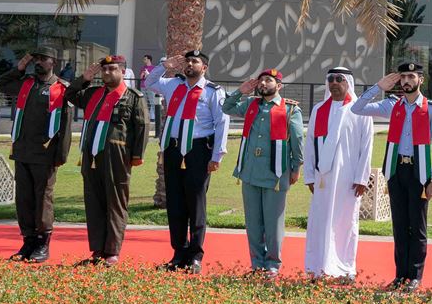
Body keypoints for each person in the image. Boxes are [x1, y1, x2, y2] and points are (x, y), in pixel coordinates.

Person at [354, 62, 432, 289]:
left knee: (418, 226)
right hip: (396, 172)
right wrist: (378, 86)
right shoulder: (391, 105)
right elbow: (357, 108)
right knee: (400, 226)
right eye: (402, 76)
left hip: (420, 172)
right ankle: (400, 276)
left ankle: (415, 276)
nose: (406, 81)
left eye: (411, 76)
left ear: (420, 80)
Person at [143, 50, 229, 274]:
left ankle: (195, 255)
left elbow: (222, 123)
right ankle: (178, 254)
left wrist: (217, 155)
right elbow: (149, 82)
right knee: (176, 202)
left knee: (196, 203)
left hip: (198, 149)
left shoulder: (212, 91)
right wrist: (164, 65)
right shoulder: (173, 84)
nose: (190, 64)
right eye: (188, 61)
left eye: (195, 62)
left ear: (205, 67)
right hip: (173, 149)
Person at [65, 55, 148, 266]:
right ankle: (97, 250)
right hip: (91, 155)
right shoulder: (93, 93)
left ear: (122, 72)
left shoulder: (133, 97)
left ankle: (112, 251)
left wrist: (137, 155)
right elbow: (70, 94)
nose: (107, 73)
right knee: (94, 202)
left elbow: (142, 127)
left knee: (115, 203)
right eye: (104, 70)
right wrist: (84, 78)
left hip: (117, 155)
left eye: (112, 69)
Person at [223, 68, 304, 278]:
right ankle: (257, 265)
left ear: (279, 86)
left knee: (273, 223)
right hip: (249, 172)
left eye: (269, 80)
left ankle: (272, 265)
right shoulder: (251, 105)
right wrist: (241, 90)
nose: (263, 83)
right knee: (253, 223)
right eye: (261, 80)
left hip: (275, 174)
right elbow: (226, 107)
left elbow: (297, 141)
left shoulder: (290, 110)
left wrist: (296, 167)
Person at [0, 46, 73, 263]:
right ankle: (28, 240)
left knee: (43, 199)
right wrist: (20, 66)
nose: (38, 62)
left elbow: (65, 126)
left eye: (43, 59)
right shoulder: (26, 84)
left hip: (45, 154)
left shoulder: (61, 88)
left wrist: (61, 155)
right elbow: (1, 84)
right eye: (36, 59)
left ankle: (42, 242)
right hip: (22, 151)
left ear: (53, 63)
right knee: (24, 199)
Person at [301, 67, 373, 280]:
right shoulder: (318, 110)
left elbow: (366, 146)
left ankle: (345, 269)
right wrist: (309, 176)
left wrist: (362, 178)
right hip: (323, 179)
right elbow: (310, 144)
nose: (334, 83)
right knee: (320, 223)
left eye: (339, 79)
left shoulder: (360, 110)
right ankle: (318, 267)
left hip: (348, 179)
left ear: (348, 82)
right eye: (331, 79)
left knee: (346, 223)